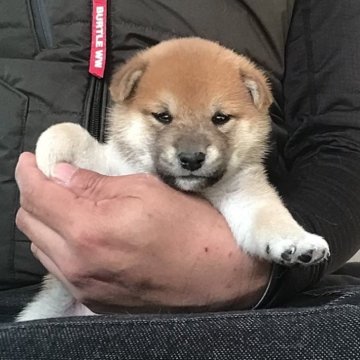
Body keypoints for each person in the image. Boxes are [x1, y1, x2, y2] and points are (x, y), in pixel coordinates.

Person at [1, 0, 360, 358]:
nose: (192, 150)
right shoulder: (120, 150)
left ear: (254, 97)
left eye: (220, 119)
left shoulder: (237, 177)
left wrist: (271, 264)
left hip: (236, 311)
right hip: (43, 295)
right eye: (163, 116)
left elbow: (266, 201)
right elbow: (89, 156)